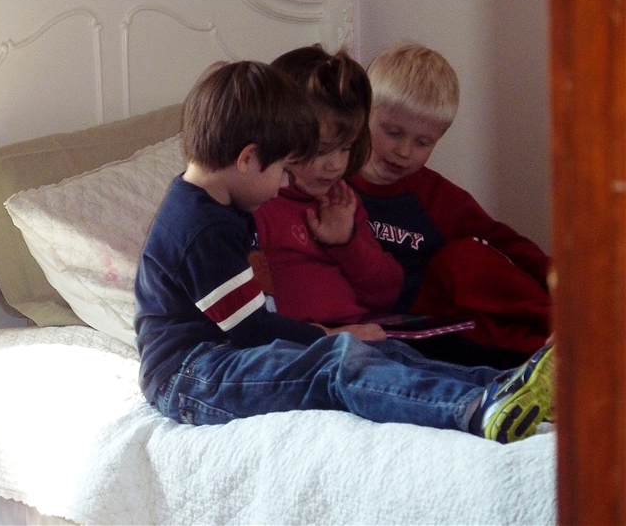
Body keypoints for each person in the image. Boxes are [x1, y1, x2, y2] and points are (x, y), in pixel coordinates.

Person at [134, 59, 554, 444]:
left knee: (385, 351)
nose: (285, 183)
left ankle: (507, 389)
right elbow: (252, 331)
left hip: (228, 359)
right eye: (282, 169)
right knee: (336, 364)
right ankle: (472, 408)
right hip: (192, 376)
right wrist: (330, 335)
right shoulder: (201, 229)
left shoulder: (222, 207)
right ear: (248, 159)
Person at [350, 42, 552, 359]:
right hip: (363, 323)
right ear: (362, 115)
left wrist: (567, 287)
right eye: (392, 132)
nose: (404, 151)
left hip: (434, 320)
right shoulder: (329, 179)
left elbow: (507, 244)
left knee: (464, 261)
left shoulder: (438, 196)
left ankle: (566, 335)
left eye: (423, 142)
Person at [253, 45, 404, 337]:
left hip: (369, 338)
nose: (335, 165)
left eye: (346, 147)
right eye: (321, 150)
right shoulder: (258, 206)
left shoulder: (341, 200)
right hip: (308, 347)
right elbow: (252, 320)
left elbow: (387, 294)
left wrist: (346, 242)